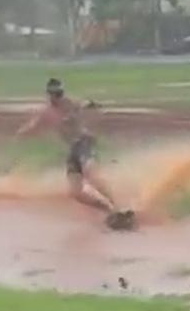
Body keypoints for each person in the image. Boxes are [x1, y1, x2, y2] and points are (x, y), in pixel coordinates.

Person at [15, 78, 117, 211]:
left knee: (90, 174)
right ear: (49, 95)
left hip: (83, 142)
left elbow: (85, 104)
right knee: (76, 192)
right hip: (72, 150)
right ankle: (107, 209)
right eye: (54, 94)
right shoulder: (47, 112)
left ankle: (114, 206)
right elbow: (34, 125)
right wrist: (21, 133)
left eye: (59, 94)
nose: (57, 97)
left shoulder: (71, 104)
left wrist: (93, 106)